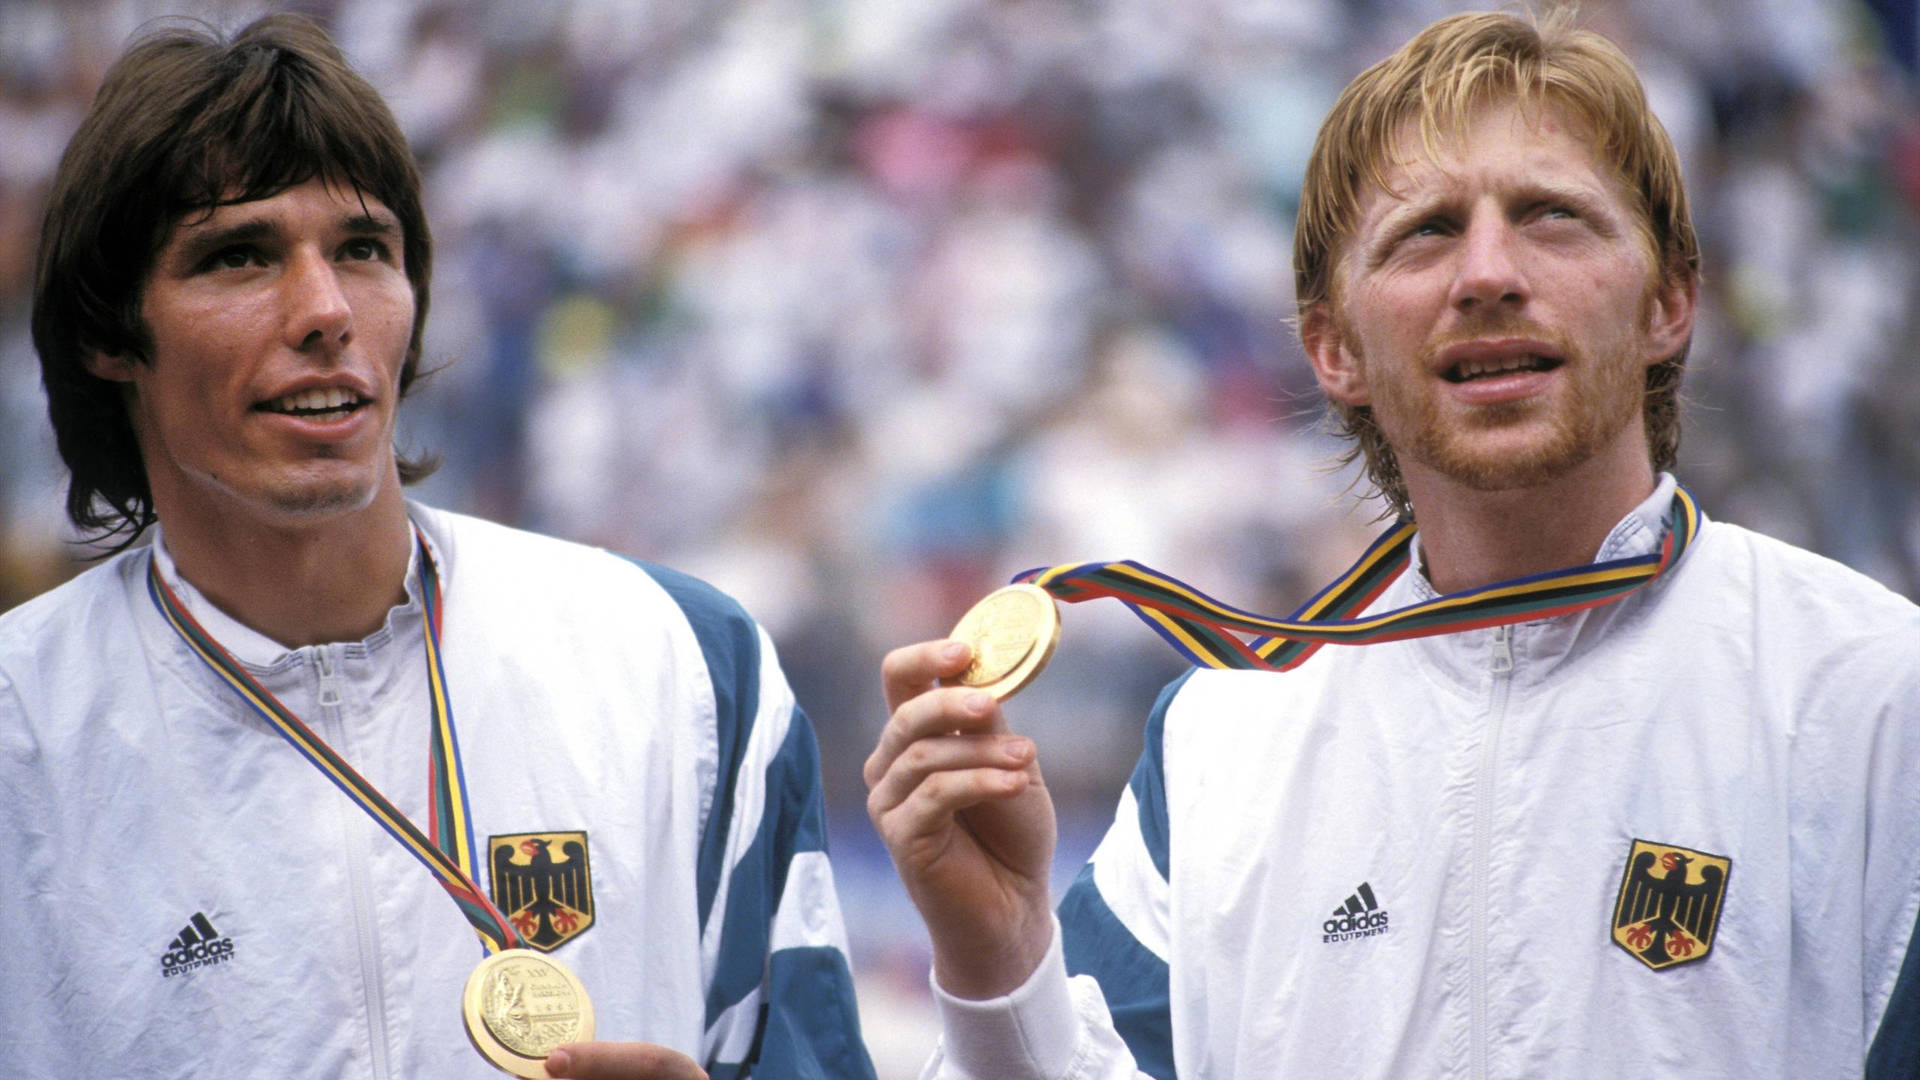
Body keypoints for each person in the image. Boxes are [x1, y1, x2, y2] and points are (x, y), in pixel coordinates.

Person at [866, 11, 1920, 1078]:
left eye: (1552, 217)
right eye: (1426, 232)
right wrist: (999, 962)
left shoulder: (1874, 697)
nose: (1489, 273)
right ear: (1335, 348)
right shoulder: (1222, 742)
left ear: (1669, 304)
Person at [1, 14, 874, 1080]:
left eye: (364, 249)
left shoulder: (685, 670)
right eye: (239, 256)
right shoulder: (23, 736)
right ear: (106, 333)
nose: (326, 311)